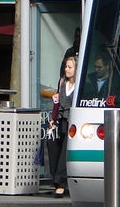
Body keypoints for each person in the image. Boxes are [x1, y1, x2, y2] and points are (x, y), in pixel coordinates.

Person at [48, 56, 76, 198]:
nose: (66, 69)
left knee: (65, 150)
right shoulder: (62, 82)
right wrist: (53, 119)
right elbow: (57, 102)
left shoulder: (80, 84)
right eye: (66, 66)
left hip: (73, 120)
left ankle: (60, 183)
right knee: (55, 147)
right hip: (61, 119)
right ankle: (57, 179)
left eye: (70, 67)